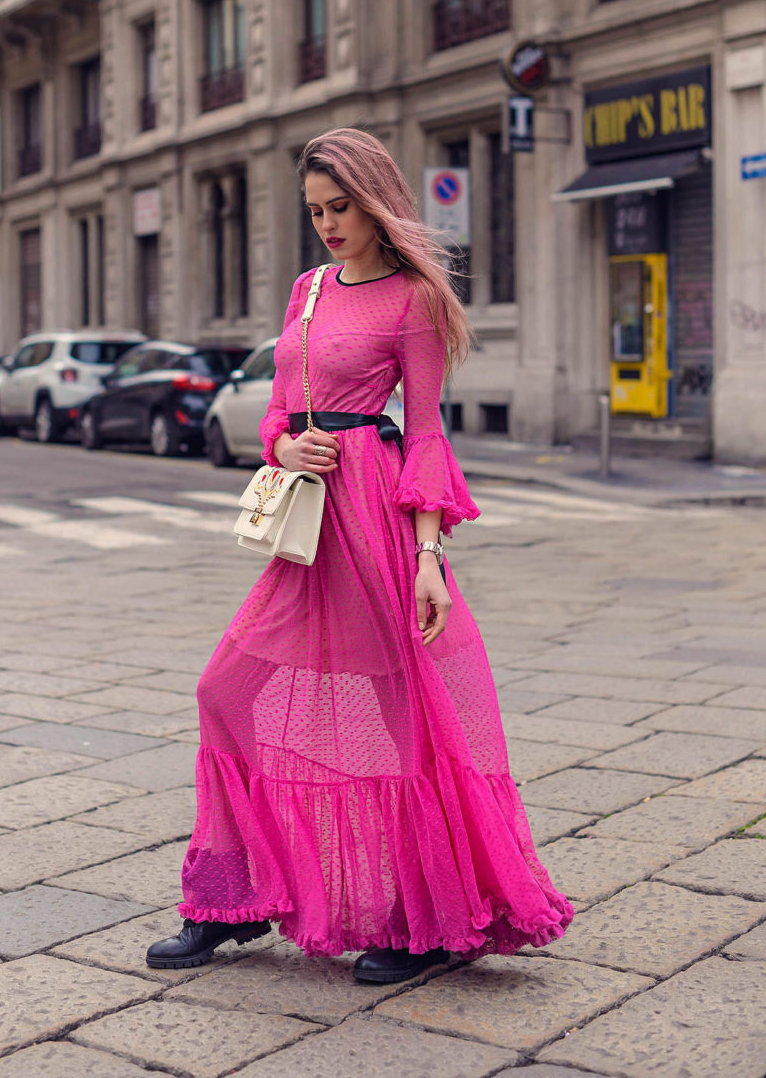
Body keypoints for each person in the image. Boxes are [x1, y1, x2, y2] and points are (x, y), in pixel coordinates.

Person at [146, 127, 573, 983]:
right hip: (308, 526)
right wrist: (282, 448)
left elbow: (423, 433)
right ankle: (229, 900)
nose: (329, 225)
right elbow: (275, 413)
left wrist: (427, 557)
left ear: (375, 202)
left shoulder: (412, 300)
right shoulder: (307, 289)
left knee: (401, 722)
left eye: (340, 207)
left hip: (376, 518)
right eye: (315, 211)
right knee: (224, 690)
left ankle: (422, 922)